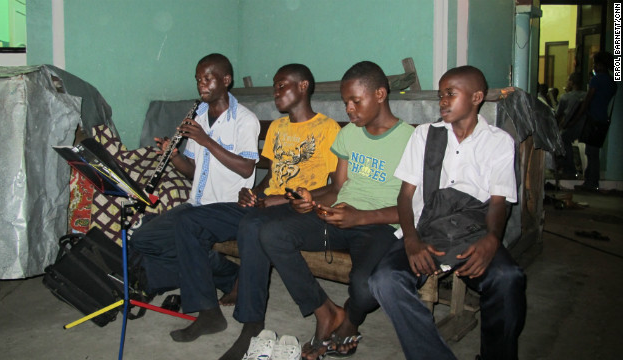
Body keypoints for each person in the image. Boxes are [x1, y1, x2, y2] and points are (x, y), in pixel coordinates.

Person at [220, 61, 414, 360]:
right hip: (337, 216)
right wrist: (312, 200)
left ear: (380, 94)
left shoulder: (410, 141)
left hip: (378, 225)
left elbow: (412, 207)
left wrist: (359, 217)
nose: (349, 109)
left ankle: (349, 317)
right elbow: (336, 188)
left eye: (355, 101)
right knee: (271, 233)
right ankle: (325, 312)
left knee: (364, 287)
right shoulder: (350, 134)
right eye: (345, 101)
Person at [165, 63, 342, 343]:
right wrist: (253, 193)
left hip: (296, 208)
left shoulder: (328, 128)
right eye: (274, 86)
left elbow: (333, 187)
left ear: (303, 86)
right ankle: (208, 312)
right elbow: (272, 174)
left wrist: (279, 199)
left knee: (252, 225)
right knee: (187, 220)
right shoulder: (277, 128)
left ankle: (251, 323)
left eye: (282, 85)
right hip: (265, 204)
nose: (275, 91)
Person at [369, 65, 526, 360]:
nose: (442, 101)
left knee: (508, 278)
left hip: (473, 230)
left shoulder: (498, 142)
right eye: (441, 95)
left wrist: (492, 238)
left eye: (450, 94)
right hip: (426, 229)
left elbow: (498, 202)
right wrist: (411, 241)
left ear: (477, 97)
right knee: (384, 280)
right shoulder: (425, 135)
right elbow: (405, 196)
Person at [130, 52, 260, 313]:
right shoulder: (199, 119)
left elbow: (246, 169)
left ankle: (206, 294)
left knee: (185, 231)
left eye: (208, 79)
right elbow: (191, 171)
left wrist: (206, 141)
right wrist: (174, 155)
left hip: (230, 208)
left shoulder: (245, 120)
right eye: (198, 79)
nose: (202, 85)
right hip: (197, 205)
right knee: (143, 238)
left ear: (226, 80)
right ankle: (224, 271)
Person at [572, 51, 617, 191]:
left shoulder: (597, 80)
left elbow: (588, 99)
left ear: (600, 64)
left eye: (595, 63)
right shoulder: (612, 82)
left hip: (593, 119)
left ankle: (590, 182)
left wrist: (578, 115)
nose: (594, 66)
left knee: (590, 152)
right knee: (594, 152)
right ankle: (592, 181)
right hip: (603, 119)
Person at [555, 72, 586, 179]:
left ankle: (569, 169)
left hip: (571, 126)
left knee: (563, 139)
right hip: (584, 127)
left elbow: (558, 114)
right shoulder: (585, 95)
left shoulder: (566, 97)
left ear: (571, 82)